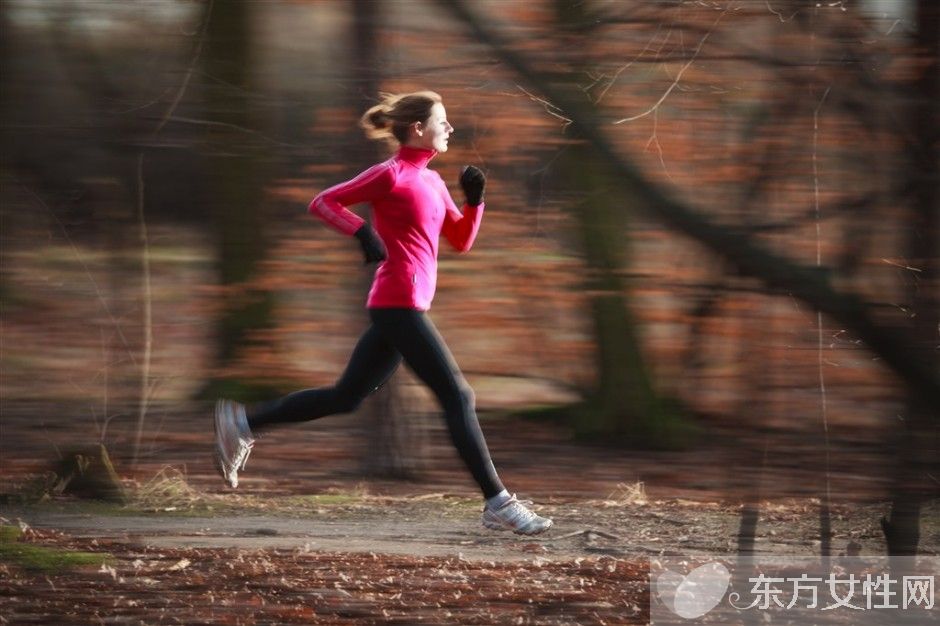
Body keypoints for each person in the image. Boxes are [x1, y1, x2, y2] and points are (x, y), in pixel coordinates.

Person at [214, 90, 552, 535]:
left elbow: (461, 241)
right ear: (418, 129)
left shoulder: (431, 180)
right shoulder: (389, 174)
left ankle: (242, 422)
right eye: (442, 120)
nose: (450, 128)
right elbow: (324, 202)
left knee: (346, 397)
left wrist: (475, 201)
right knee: (459, 396)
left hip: (403, 305)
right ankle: (498, 503)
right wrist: (361, 232)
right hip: (399, 302)